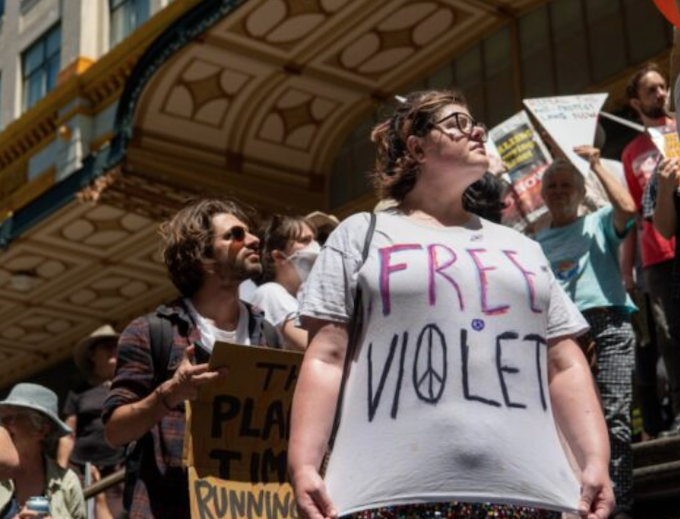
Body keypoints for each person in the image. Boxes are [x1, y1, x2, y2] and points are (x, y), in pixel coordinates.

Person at [288, 90, 613, 519]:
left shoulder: (522, 247)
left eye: (474, 122)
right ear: (417, 147)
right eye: (458, 123)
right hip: (387, 496)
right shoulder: (360, 235)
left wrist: (596, 461)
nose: (477, 130)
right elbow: (327, 355)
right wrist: (303, 464)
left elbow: (564, 361)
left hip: (529, 496)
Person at [103, 197, 280, 519]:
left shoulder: (268, 335)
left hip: (252, 507)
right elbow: (116, 432)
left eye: (251, 233)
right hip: (172, 508)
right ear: (202, 256)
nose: (254, 240)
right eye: (235, 235)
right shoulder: (151, 332)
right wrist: (170, 393)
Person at [535, 148, 637, 519]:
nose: (560, 191)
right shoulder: (534, 244)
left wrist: (594, 163)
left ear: (580, 191)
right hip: (561, 336)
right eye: (553, 186)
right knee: (567, 427)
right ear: (543, 194)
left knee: (615, 418)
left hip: (606, 322)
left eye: (567, 184)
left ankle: (619, 507)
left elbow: (628, 207)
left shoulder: (598, 222)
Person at [621, 63, 680, 437]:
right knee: (671, 336)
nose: (660, 94)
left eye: (663, 87)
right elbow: (631, 217)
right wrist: (627, 273)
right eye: (651, 90)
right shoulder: (632, 152)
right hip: (658, 257)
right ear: (635, 102)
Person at [58, 325, 125, 517]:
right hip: (83, 466)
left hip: (119, 467)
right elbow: (68, 434)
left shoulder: (129, 385)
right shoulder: (78, 393)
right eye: (106, 346)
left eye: (116, 345)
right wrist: (61, 473)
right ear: (92, 355)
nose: (113, 349)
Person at [0, 383, 86, 519]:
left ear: (41, 430)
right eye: (2, 419)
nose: (4, 425)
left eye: (11, 418)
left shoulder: (67, 482)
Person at [251, 214, 320, 351]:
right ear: (278, 256)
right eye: (305, 240)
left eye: (315, 240)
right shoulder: (270, 292)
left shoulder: (298, 298)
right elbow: (313, 345)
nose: (316, 247)